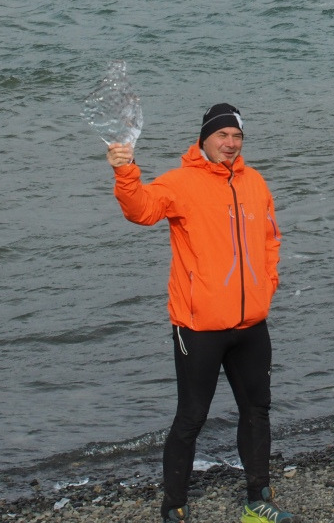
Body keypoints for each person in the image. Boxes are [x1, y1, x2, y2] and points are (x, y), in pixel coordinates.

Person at [107, 103, 292, 523]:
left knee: (257, 409)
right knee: (191, 417)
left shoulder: (255, 183)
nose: (230, 144)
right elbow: (141, 210)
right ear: (205, 138)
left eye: (237, 137)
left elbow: (270, 239)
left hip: (250, 324)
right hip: (198, 326)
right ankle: (174, 508)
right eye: (222, 136)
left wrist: (268, 284)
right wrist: (125, 170)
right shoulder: (181, 183)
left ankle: (257, 500)